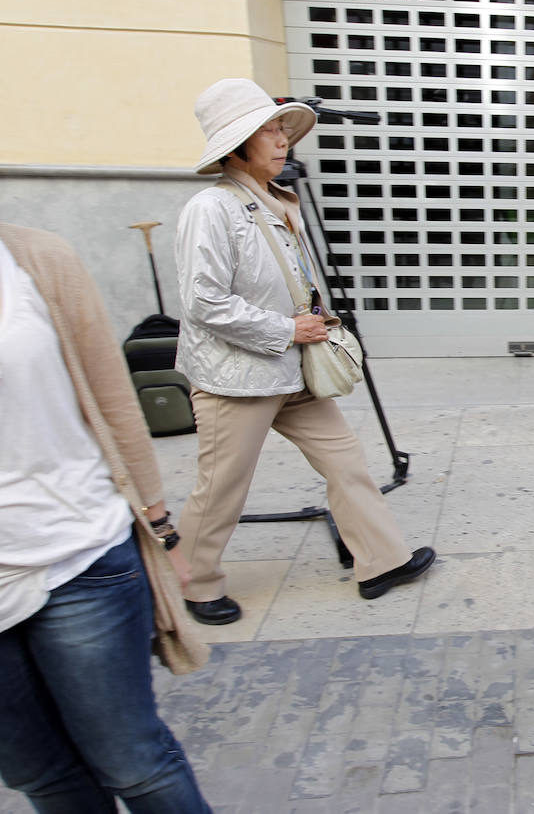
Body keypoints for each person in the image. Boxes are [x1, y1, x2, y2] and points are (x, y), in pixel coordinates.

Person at [174, 78, 434, 625]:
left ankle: (381, 561)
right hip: (236, 378)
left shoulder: (275, 200)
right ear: (236, 145)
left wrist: (313, 324)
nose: (280, 138)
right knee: (221, 490)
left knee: (347, 461)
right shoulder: (212, 207)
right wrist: (287, 330)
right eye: (265, 130)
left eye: (280, 128)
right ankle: (193, 586)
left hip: (292, 372)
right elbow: (203, 302)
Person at [0, 223, 212, 811]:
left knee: (134, 764)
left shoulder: (36, 259)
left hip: (80, 552)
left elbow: (114, 397)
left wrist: (163, 530)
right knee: (40, 777)